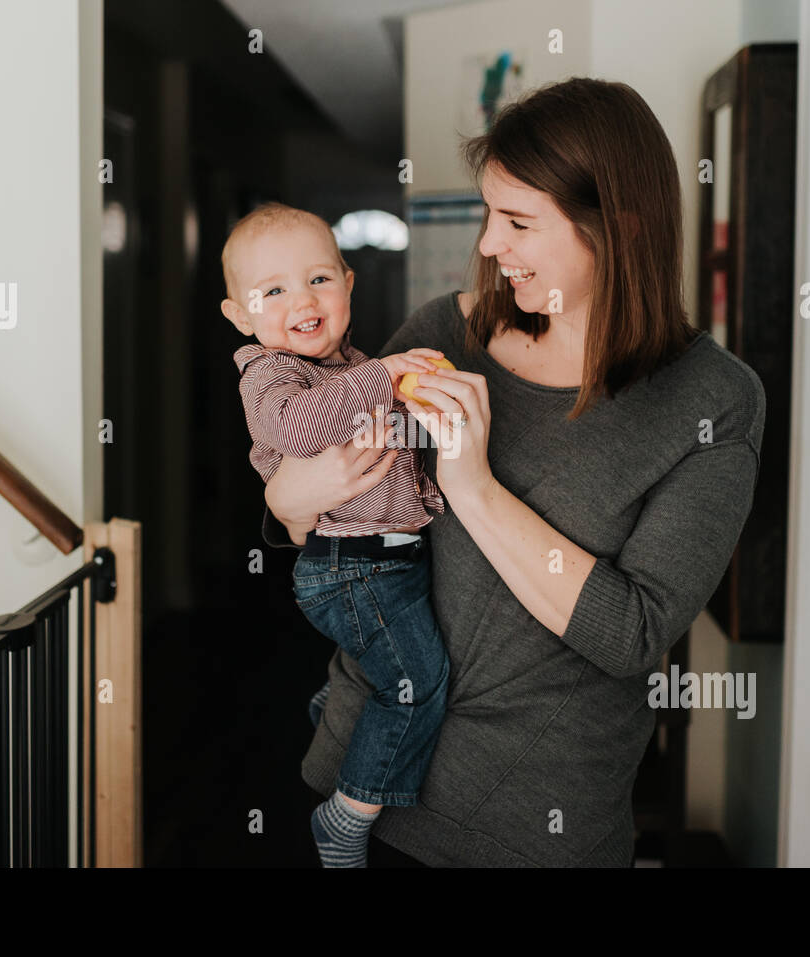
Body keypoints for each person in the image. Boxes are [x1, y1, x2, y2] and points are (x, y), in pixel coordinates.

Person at [263, 77, 766, 867]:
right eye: (491, 214)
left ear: (618, 228)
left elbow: (633, 632)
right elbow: (317, 512)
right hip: (358, 793)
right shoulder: (441, 333)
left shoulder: (713, 401)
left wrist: (474, 487)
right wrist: (284, 497)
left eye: (519, 221)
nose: (491, 244)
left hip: (533, 829)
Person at [221, 202, 454, 867]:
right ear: (241, 315)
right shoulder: (271, 374)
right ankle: (347, 813)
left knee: (397, 665)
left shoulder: (349, 364)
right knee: (416, 684)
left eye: (319, 279)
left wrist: (414, 391)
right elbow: (299, 428)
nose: (303, 299)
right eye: (273, 291)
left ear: (349, 283)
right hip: (352, 566)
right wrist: (385, 375)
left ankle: (340, 699)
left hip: (385, 563)